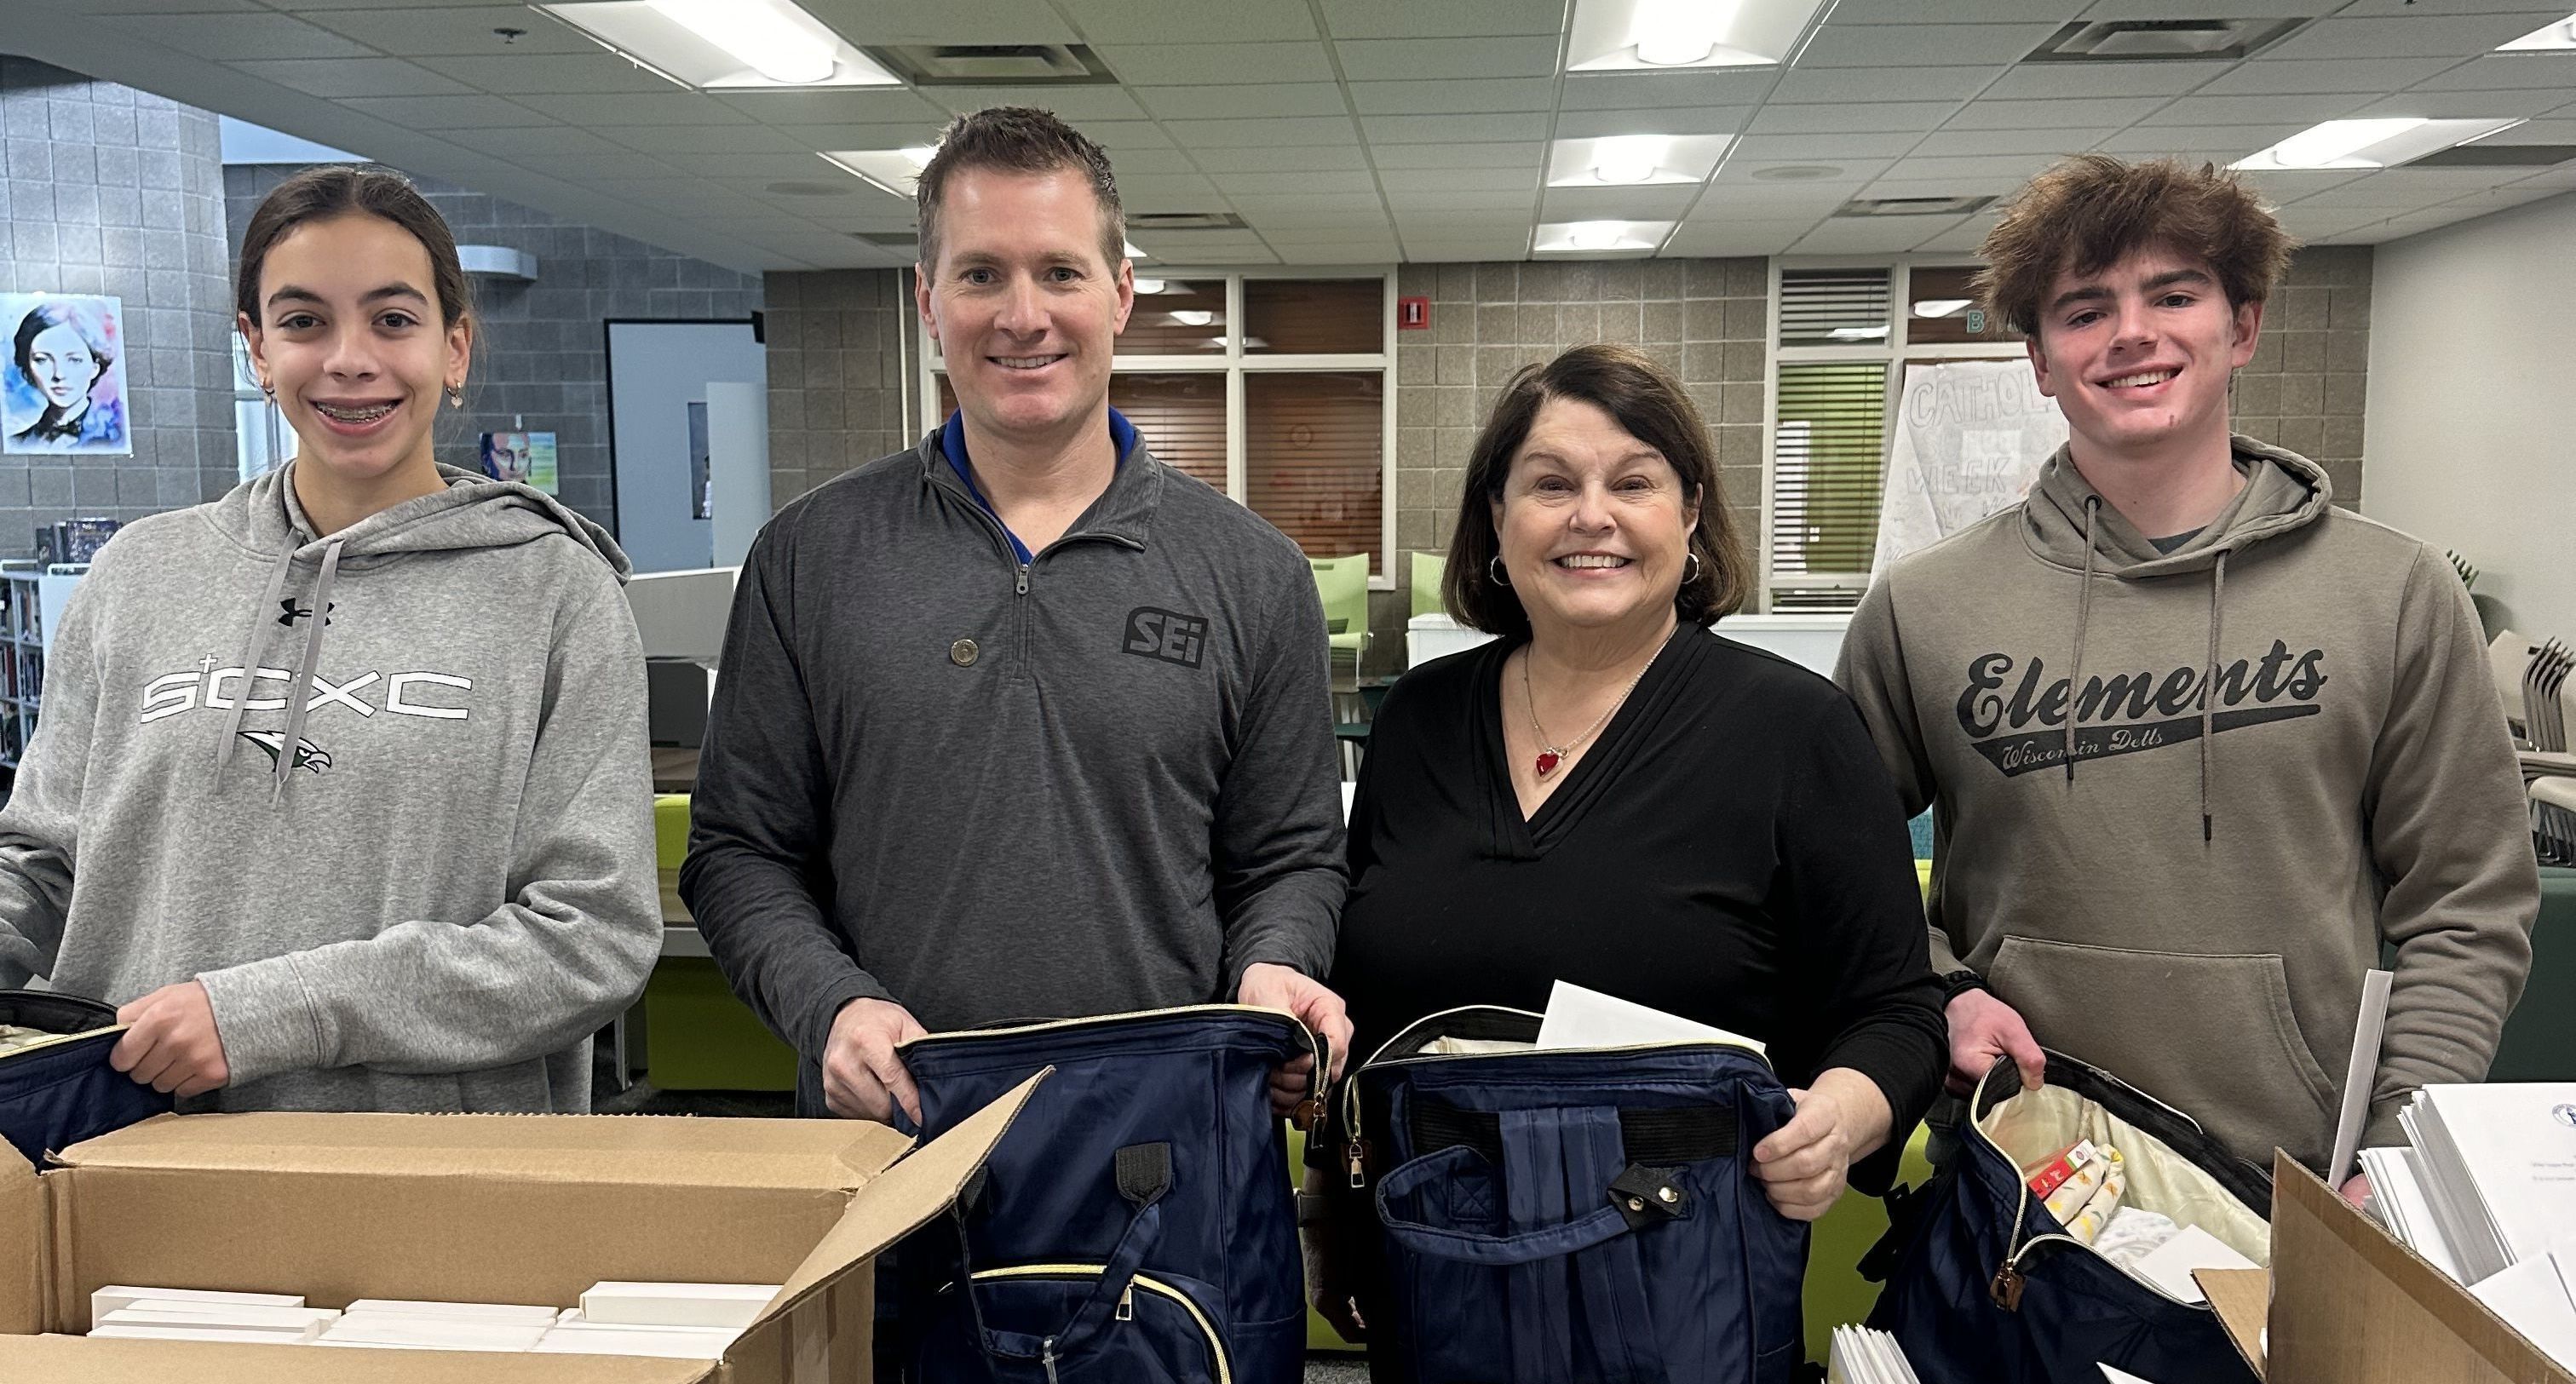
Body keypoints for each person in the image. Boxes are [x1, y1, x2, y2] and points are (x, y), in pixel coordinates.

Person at [1836, 155, 2539, 1197]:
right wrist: (1938, 992)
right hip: (2015, 1177)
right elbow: (1828, 865)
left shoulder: (2391, 590)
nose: (2131, 333)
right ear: (2039, 359)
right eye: (2085, 310)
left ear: (2242, 326)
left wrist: (2394, 1164)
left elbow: (2468, 902)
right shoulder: (1924, 606)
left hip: (2298, 1179)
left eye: (2173, 295)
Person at [680, 106, 1353, 1133]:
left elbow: (1291, 857)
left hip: (1172, 1152)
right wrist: (832, 1006)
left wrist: (1275, 966)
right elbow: (739, 852)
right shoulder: (809, 557)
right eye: (982, 273)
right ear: (928, 300)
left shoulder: (1251, 573)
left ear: (1122, 292)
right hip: (895, 1145)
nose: (1023, 314)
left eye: (1062, 272)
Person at [1310, 343, 1947, 1341]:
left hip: (1684, 1283)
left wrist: (1841, 1117)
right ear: (1496, 518)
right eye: (1551, 483)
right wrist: (1333, 1211)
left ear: (1690, 513)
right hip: (1437, 1269)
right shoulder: (1420, 718)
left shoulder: (1793, 730)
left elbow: (1898, 1010)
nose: (1590, 515)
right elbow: (1364, 1001)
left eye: (1633, 481)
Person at [0, 165, 659, 1113]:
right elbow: (43, 862)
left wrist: (275, 1011)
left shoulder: (555, 592)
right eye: (304, 321)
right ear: (256, 349)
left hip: (426, 1182)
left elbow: (590, 938)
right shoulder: (139, 577)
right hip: (130, 1154)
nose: (349, 358)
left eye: (393, 320)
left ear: (457, 346)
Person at [9, 301, 125, 452]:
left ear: (94, 368)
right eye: (42, 360)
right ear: (28, 368)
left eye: (74, 360)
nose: (59, 374)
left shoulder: (117, 437)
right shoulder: (18, 443)